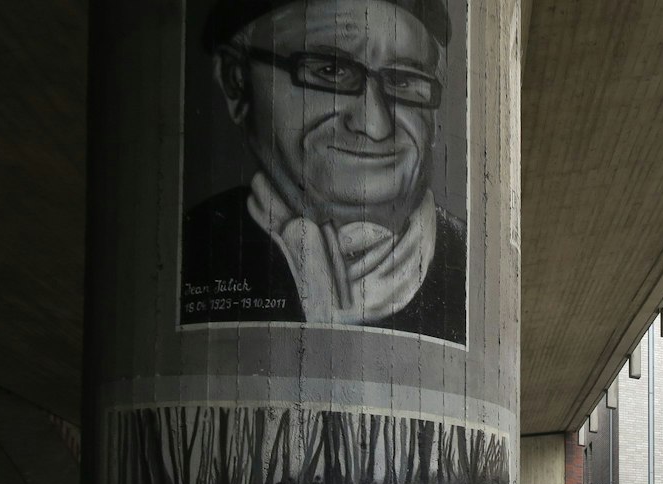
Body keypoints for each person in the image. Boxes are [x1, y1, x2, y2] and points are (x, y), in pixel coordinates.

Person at [182, 0, 466, 341]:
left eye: (404, 82)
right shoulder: (192, 252)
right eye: (330, 71)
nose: (374, 125)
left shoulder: (471, 271)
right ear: (237, 80)